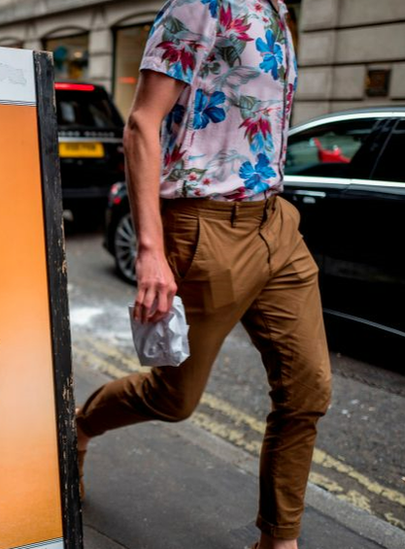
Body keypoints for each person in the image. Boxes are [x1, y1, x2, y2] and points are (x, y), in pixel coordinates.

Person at [74, 1, 331, 548]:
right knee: (175, 399)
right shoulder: (202, 4)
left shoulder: (279, 10)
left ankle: (278, 540)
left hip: (276, 221)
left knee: (308, 390)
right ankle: (78, 426)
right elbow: (142, 122)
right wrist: (151, 248)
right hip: (205, 225)